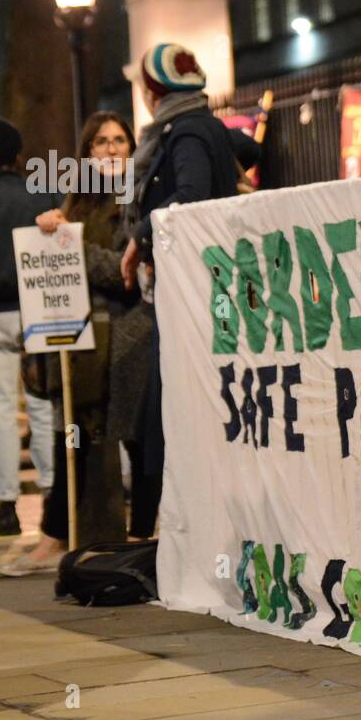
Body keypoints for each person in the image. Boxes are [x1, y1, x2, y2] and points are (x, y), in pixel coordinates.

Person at [0, 112, 148, 575]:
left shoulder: (140, 200)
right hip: (83, 342)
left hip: (130, 339)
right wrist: (53, 231)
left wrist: (71, 245)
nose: (110, 149)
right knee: (78, 439)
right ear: (86, 153)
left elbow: (124, 275)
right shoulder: (79, 201)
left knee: (138, 444)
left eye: (120, 140)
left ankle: (138, 538)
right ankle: (66, 536)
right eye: (100, 142)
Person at [120, 43, 242, 530]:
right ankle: (166, 528)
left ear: (154, 90)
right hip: (190, 292)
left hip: (194, 294)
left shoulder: (187, 131)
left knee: (168, 410)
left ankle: (172, 530)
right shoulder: (196, 126)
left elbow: (191, 196)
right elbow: (238, 155)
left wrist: (140, 237)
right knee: (163, 408)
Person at [0, 116, 59, 536]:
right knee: (42, 409)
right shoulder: (39, 194)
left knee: (0, 415)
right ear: (18, 154)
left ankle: (6, 508)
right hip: (38, 308)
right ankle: (50, 498)